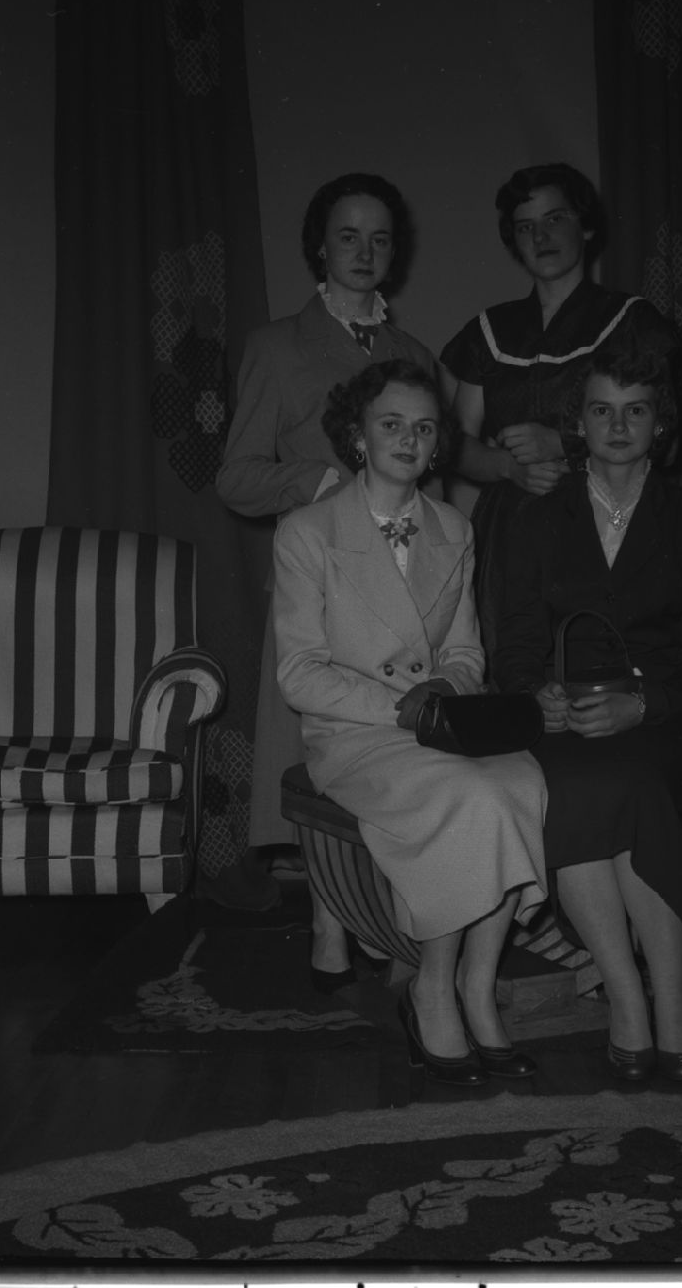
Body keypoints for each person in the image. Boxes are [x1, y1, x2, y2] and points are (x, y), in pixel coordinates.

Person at [273, 359, 548, 1087]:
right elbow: (299, 673)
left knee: (521, 780)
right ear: (357, 435)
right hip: (354, 734)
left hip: (437, 724)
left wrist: (443, 689)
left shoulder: (453, 528)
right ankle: (432, 986)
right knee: (474, 795)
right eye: (391, 423)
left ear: (437, 446)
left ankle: (475, 990)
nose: (408, 439)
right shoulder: (306, 532)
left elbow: (466, 652)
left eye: (424, 428)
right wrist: (400, 706)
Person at [492, 324, 682, 1082]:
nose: (619, 425)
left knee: (629, 780)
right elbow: (515, 644)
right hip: (567, 721)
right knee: (570, 782)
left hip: (667, 721)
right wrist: (535, 695)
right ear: (579, 422)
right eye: (602, 409)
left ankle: (673, 989)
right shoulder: (535, 520)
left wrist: (643, 705)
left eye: (636, 410)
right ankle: (627, 990)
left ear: (661, 422)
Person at [216, 172, 439, 988]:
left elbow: (432, 484)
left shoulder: (416, 356)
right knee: (320, 754)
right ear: (319, 245)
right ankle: (326, 919)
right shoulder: (276, 346)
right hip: (318, 584)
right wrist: (316, 482)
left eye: (380, 238)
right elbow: (237, 476)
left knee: (391, 751)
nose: (364, 252)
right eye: (348, 235)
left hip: (399, 589)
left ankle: (379, 912)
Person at [439, 162, 682, 672]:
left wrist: (563, 443)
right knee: (512, 667)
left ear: (587, 225)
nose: (541, 237)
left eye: (555, 219)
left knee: (599, 667)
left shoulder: (632, 321)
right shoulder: (490, 330)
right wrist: (508, 466)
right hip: (509, 534)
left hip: (603, 522)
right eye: (525, 227)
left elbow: (668, 440)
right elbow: (454, 444)